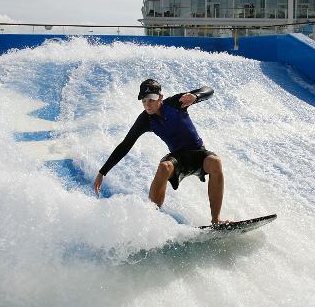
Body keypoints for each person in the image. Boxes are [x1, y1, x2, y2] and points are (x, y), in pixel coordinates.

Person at [94, 78, 227, 224]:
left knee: (215, 162)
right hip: (178, 159)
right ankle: (151, 221)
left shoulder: (176, 103)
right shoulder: (145, 120)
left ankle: (216, 220)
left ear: (160, 97)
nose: (147, 104)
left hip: (198, 155)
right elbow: (125, 145)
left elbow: (208, 90)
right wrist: (102, 172)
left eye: (151, 99)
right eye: (144, 101)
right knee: (164, 167)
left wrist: (196, 96)